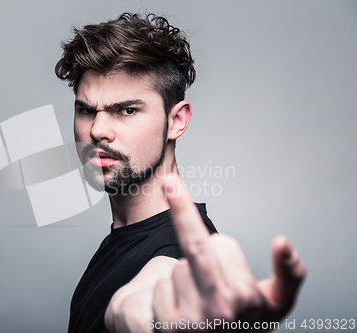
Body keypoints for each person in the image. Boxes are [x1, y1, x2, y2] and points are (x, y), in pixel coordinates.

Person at [55, 12, 306, 333]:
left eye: (127, 110)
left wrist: (142, 313)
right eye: (86, 110)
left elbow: (143, 298)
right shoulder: (125, 237)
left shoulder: (181, 254)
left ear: (177, 121)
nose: (98, 130)